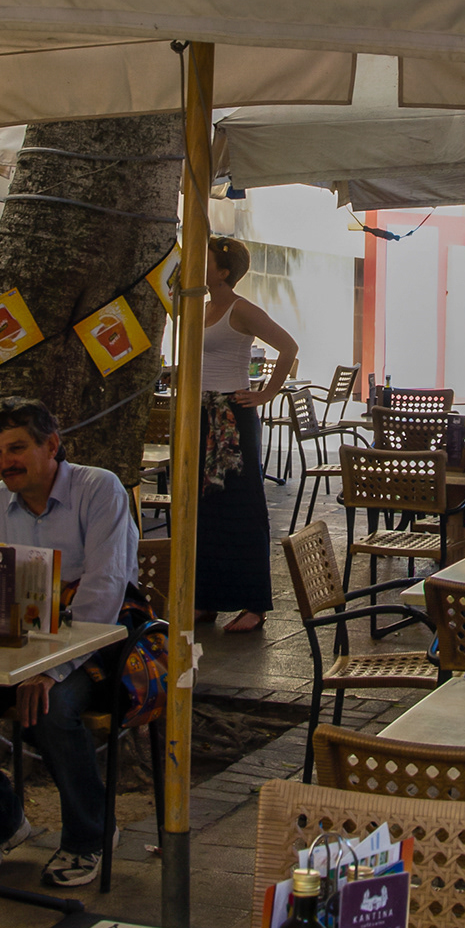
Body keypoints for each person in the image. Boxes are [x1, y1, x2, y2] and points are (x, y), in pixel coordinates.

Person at [0, 401, 137, 889]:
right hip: (21, 640)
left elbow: (104, 592)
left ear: (52, 446)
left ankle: (90, 835)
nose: (4, 462)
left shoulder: (99, 489)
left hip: (100, 640)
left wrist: (51, 670)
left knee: (52, 707)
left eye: (17, 448)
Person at [193, 238, 298, 635]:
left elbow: (288, 347)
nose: (195, 264)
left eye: (203, 260)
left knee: (241, 506)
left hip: (232, 418)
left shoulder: (241, 309)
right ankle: (207, 599)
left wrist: (267, 393)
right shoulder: (199, 309)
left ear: (223, 271)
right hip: (201, 414)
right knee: (204, 510)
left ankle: (254, 605)